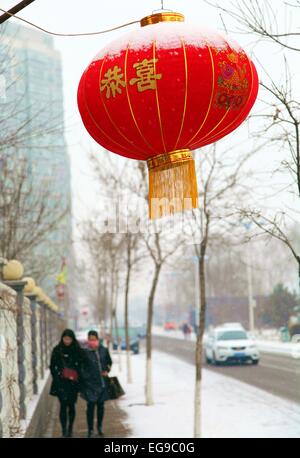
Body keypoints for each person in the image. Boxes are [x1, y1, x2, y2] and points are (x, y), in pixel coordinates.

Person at [49, 329, 83, 438]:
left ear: (72, 339)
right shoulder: (57, 350)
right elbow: (52, 366)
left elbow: (81, 366)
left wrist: (77, 375)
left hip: (73, 384)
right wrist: (57, 377)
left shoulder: (77, 350)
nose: (67, 341)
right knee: (63, 406)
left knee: (71, 406)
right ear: (62, 338)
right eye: (65, 338)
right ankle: (64, 430)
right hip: (61, 383)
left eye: (69, 339)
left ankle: (70, 429)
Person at [81, 330, 112, 438]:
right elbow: (81, 367)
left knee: (101, 406)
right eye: (90, 339)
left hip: (102, 383)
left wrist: (107, 370)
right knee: (90, 407)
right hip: (90, 384)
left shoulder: (104, 350)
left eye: (94, 339)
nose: (92, 341)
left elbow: (109, 362)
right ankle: (90, 430)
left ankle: (99, 427)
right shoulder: (85, 352)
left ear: (97, 339)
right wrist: (86, 377)